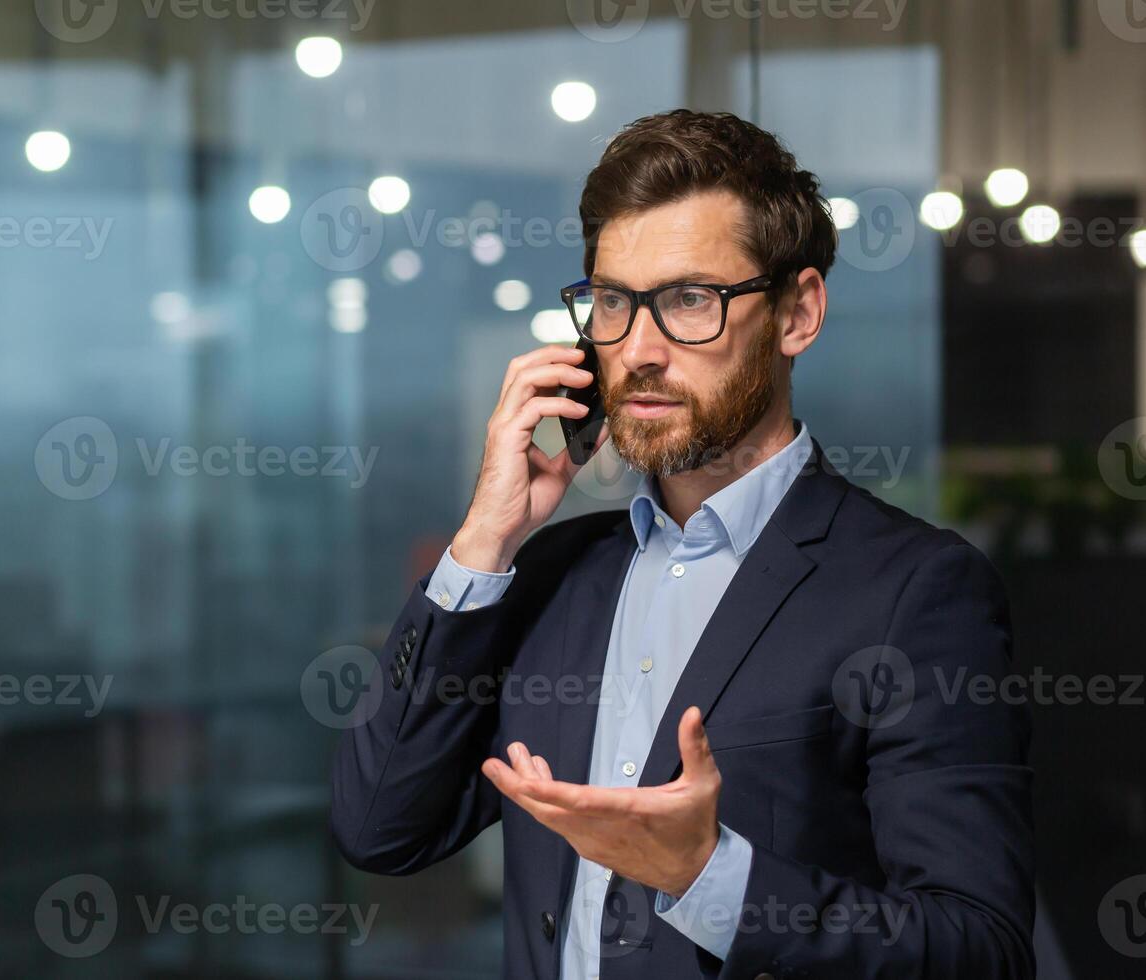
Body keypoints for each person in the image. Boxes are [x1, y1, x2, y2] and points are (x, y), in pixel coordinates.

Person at [331, 109, 1034, 980]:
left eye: (692, 299)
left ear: (798, 313)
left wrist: (711, 879)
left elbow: (978, 950)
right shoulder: (547, 573)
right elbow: (379, 829)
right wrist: (484, 539)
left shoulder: (916, 590)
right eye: (614, 303)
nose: (640, 350)